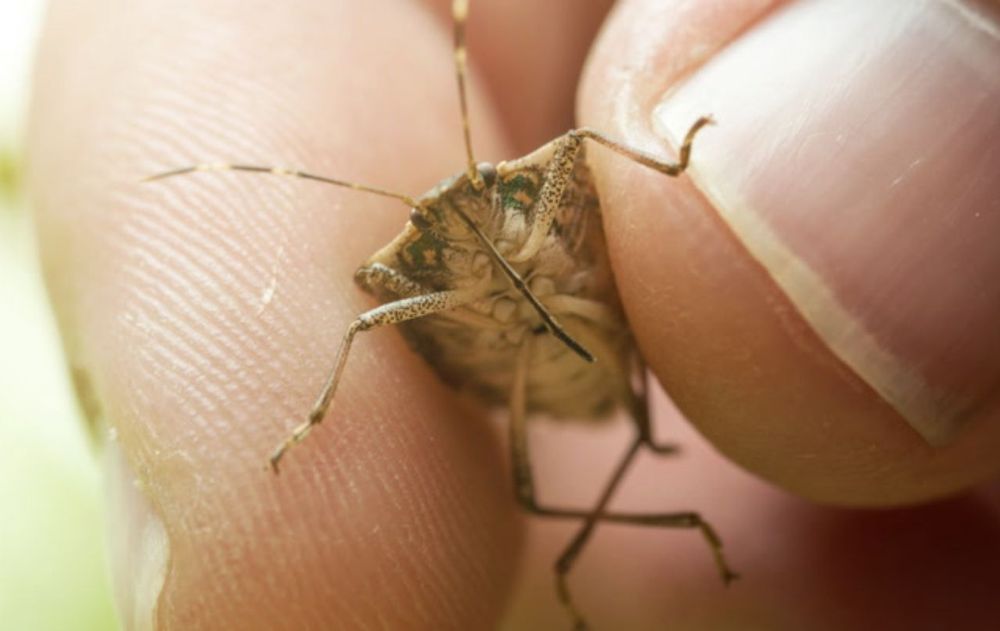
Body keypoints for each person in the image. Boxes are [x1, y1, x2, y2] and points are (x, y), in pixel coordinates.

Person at [29, 0, 1000, 628]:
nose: (473, 226)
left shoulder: (542, 190)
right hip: (545, 376)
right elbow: (363, 308)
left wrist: (671, 162)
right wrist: (309, 421)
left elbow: (587, 132)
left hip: (621, 349)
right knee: (532, 495)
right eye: (454, 227)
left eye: (479, 210)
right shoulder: (425, 270)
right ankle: (634, 533)